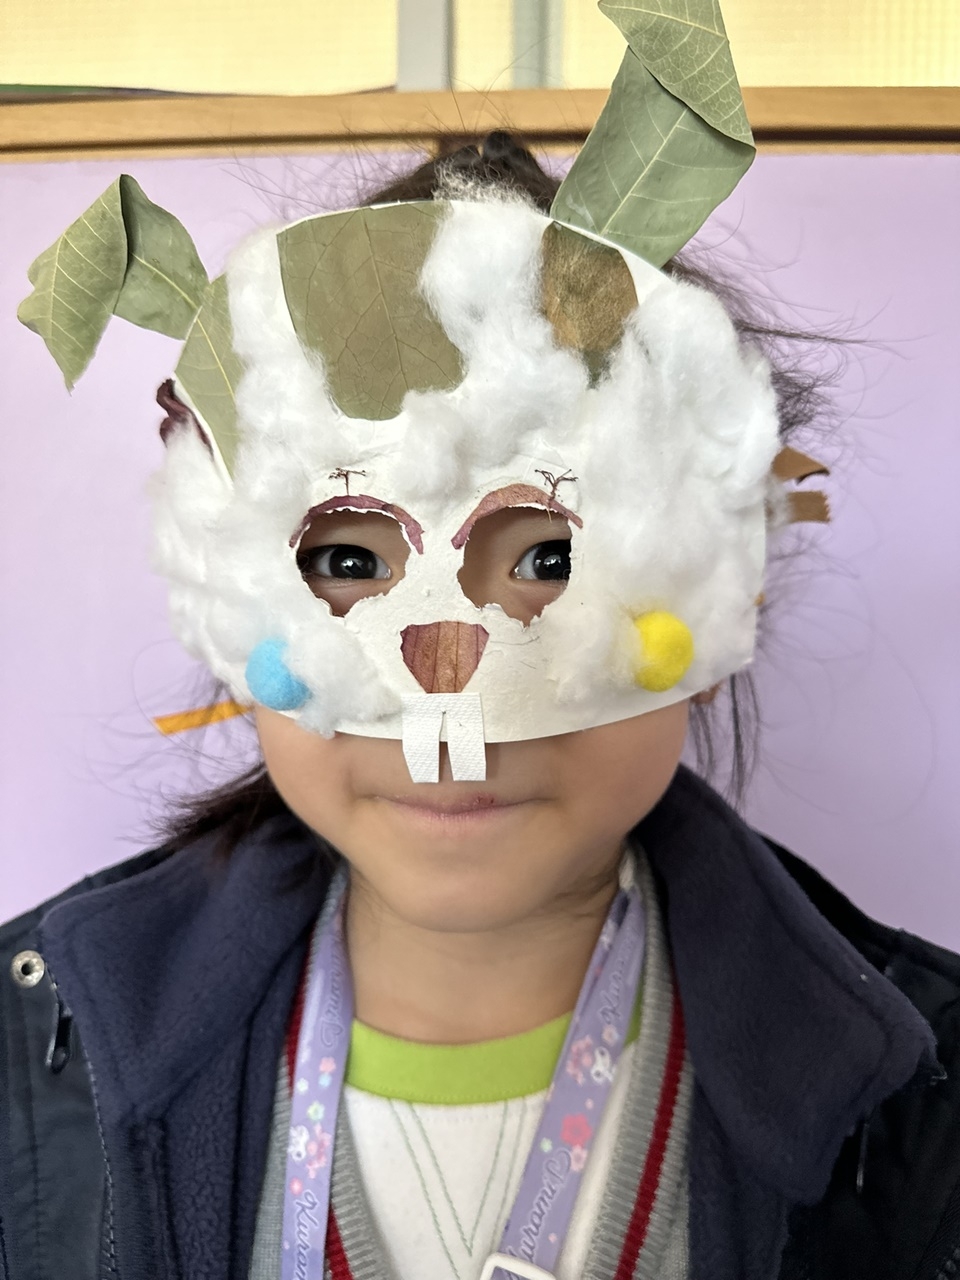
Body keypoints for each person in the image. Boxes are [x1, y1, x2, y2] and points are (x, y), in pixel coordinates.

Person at [3, 6, 960, 1280]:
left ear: (728, 590)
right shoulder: (32, 1056)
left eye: (550, 561)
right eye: (349, 562)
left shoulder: (924, 1102)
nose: (448, 690)